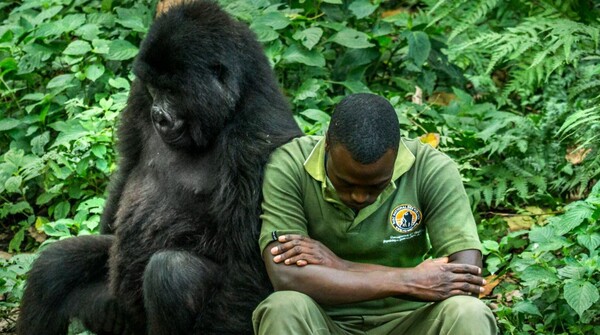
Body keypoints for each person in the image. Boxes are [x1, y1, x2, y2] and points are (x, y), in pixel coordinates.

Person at [253, 93, 498, 335]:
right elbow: (287, 277)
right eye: (345, 183)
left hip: (410, 320)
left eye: (375, 186)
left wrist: (340, 266)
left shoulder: (430, 169)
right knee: (283, 307)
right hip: (325, 321)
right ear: (327, 143)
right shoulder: (292, 165)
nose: (359, 197)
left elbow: (466, 277)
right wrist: (410, 280)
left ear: (397, 153)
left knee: (469, 312)